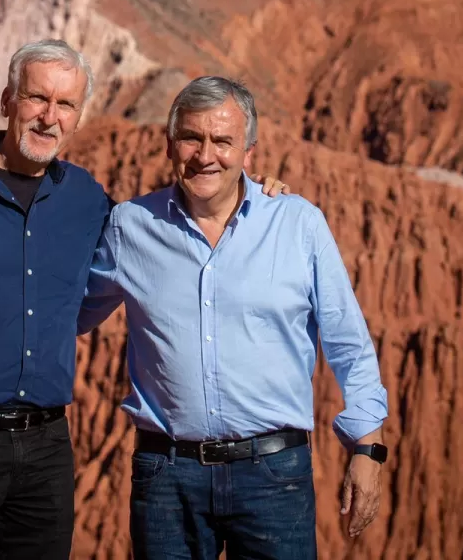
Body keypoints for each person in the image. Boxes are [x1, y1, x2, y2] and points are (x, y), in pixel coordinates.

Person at [0, 41, 287, 559]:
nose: (48, 117)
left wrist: (255, 197)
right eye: (37, 98)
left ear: (78, 117)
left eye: (65, 105)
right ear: (8, 99)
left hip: (46, 448)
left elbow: (166, 235)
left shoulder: (87, 200)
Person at [78, 75, 390, 559]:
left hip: (273, 476)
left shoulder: (297, 224)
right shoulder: (131, 228)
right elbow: (67, 312)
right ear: (169, 144)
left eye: (222, 141)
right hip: (167, 478)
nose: (205, 155)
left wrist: (367, 447)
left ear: (248, 153)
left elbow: (348, 340)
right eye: (191, 138)